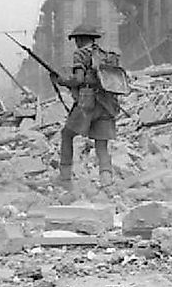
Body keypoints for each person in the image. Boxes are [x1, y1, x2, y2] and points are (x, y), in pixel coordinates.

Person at [52, 24, 122, 188]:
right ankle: (106, 179)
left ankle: (65, 178)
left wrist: (61, 80)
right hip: (107, 103)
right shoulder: (105, 55)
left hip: (87, 102)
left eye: (76, 40)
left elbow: (78, 79)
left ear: (80, 39)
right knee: (101, 144)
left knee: (67, 135)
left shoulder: (81, 53)